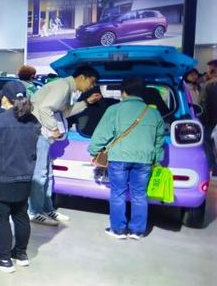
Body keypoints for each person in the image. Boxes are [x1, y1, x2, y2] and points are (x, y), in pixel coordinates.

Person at [88, 77, 165, 239]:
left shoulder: (114, 110)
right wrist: (157, 159)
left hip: (119, 158)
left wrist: (94, 151)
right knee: (140, 194)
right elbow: (159, 141)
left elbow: (102, 134)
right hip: (144, 160)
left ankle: (118, 230)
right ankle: (137, 231)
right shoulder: (153, 113)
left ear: (123, 92)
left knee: (118, 193)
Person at [0, 81, 40, 273]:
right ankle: (20, 254)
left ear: (5, 98)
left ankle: (3, 259)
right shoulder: (33, 121)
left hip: (0, 177)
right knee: (21, 215)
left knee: (1, 218)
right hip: (24, 176)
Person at [29, 65, 101, 226]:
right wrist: (54, 128)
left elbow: (64, 112)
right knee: (40, 174)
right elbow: (45, 108)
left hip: (44, 134)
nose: (91, 86)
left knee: (46, 173)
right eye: (91, 82)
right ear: (82, 77)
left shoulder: (67, 88)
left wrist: (86, 102)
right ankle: (33, 212)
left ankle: (47, 208)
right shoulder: (63, 87)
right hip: (40, 133)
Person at [201, 60, 217, 176]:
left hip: (211, 121)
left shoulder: (210, 85)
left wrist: (202, 120)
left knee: (207, 141)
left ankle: (213, 167)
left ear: (213, 70)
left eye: (209, 70)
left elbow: (203, 105)